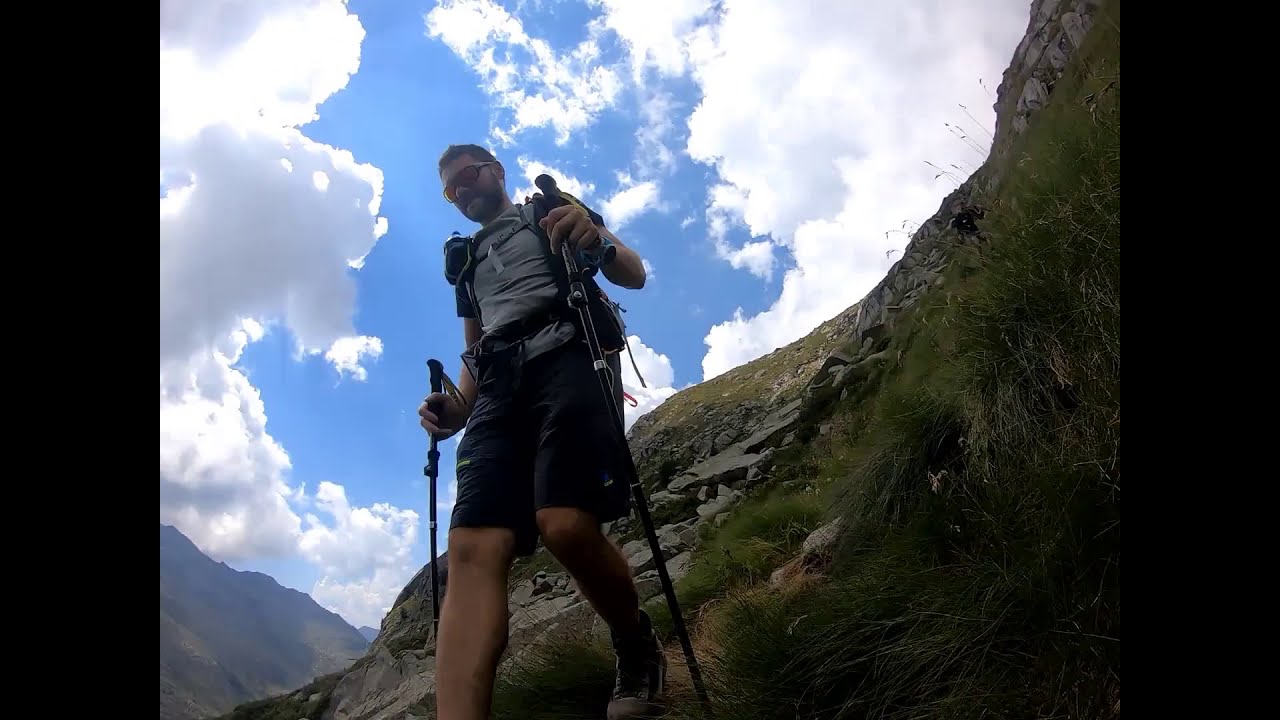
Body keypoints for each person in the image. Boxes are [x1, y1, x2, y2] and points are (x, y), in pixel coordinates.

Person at [418, 143, 665, 720]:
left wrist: (596, 241)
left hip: (569, 358)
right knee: (472, 547)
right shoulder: (465, 262)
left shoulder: (548, 211)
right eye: (451, 189)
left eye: (469, 176)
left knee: (566, 525)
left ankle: (635, 643)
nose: (462, 191)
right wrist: (453, 411)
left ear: (497, 170)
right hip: (498, 391)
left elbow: (632, 274)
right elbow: (475, 351)